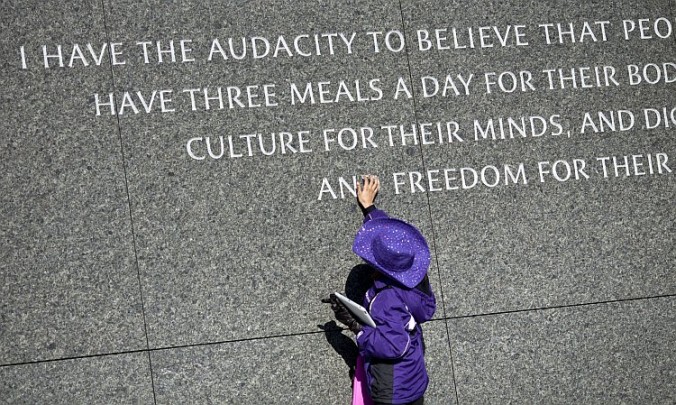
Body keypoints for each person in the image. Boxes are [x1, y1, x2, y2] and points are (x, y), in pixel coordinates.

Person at [324, 175, 437, 405]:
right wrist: (370, 209)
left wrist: (358, 329)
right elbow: (395, 244)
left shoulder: (386, 298)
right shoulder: (415, 282)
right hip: (413, 380)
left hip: (392, 391)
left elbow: (394, 345)